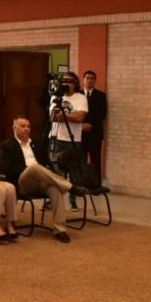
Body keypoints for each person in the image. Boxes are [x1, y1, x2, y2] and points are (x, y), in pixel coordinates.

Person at [0, 116, 86, 243]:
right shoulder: (6, 146)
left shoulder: (37, 143)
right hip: (23, 182)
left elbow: (47, 164)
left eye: (28, 126)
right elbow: (6, 169)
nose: (26, 129)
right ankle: (70, 187)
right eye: (22, 126)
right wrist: (29, 169)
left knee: (54, 188)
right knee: (34, 167)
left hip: (41, 181)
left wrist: (47, 169)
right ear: (14, 127)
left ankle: (60, 230)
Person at [49, 71, 88, 208]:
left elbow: (80, 117)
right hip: (57, 137)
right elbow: (53, 117)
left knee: (73, 170)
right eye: (63, 81)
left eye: (69, 81)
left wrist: (65, 116)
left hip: (73, 139)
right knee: (56, 171)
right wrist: (72, 115)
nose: (65, 83)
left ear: (75, 84)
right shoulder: (56, 97)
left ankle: (73, 201)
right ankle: (54, 199)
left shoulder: (80, 98)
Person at [81, 70, 108, 179]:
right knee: (80, 159)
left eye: (92, 78)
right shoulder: (77, 95)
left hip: (95, 133)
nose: (89, 80)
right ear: (83, 80)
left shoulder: (101, 96)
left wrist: (91, 125)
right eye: (87, 78)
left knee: (95, 160)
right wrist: (82, 125)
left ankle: (96, 184)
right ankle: (81, 182)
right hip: (80, 133)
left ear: (95, 81)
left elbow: (102, 113)